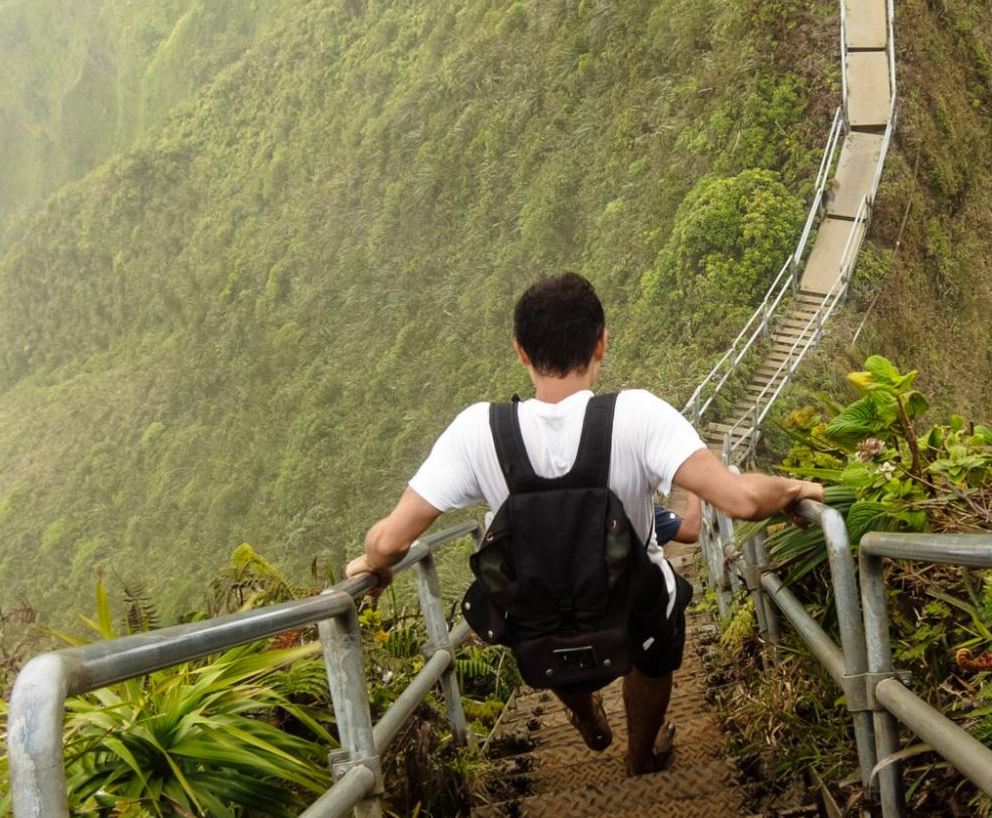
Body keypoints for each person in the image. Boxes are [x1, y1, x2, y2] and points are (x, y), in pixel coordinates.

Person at [347, 272, 823, 775]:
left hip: (535, 615)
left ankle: (584, 713)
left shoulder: (477, 431)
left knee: (544, 619)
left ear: (521, 352)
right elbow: (742, 500)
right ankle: (639, 757)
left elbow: (389, 539)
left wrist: (374, 565)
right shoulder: (638, 416)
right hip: (629, 605)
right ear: (601, 342)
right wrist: (796, 488)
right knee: (659, 630)